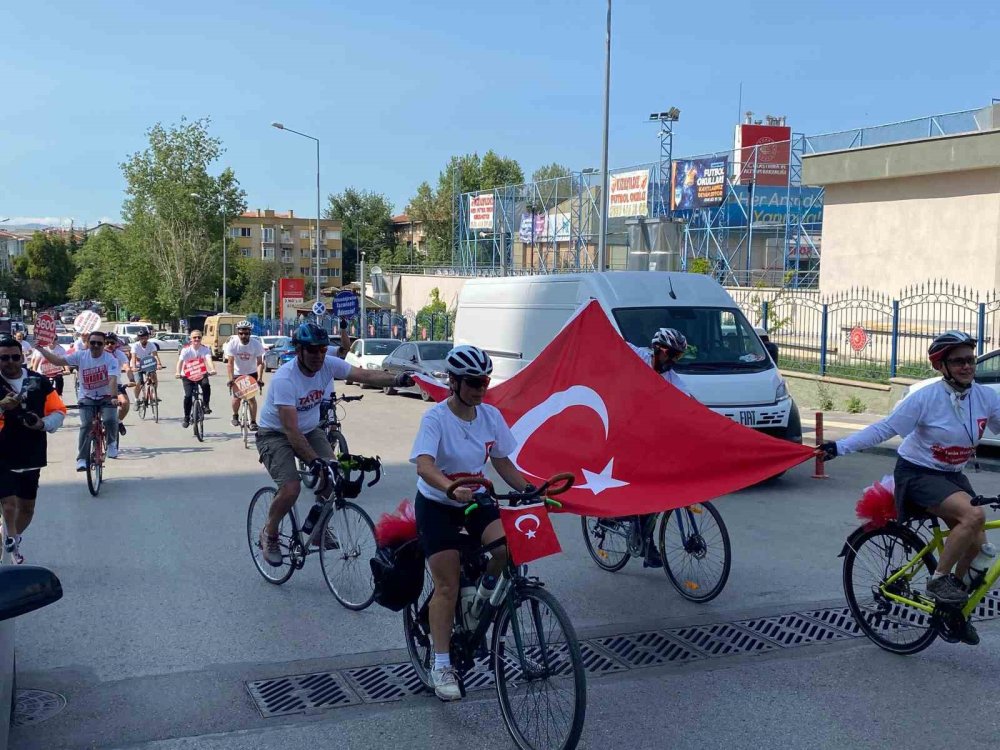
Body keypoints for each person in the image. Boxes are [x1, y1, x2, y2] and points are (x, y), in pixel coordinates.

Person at [820, 331, 1000, 645]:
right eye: (958, 361)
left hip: (952, 475)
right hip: (917, 474)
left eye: (970, 360)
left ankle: (951, 608)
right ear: (942, 366)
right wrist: (840, 446)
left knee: (978, 548)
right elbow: (885, 429)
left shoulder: (985, 397)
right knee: (973, 516)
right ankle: (939, 580)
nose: (967, 366)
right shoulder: (924, 398)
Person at [410, 345, 533, 701]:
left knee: (506, 550)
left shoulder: (490, 416)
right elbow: (424, 466)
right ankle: (442, 663)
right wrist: (449, 486)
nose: (481, 388)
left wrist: (530, 490)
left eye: (485, 381)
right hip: (437, 503)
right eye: (473, 382)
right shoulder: (435, 418)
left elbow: (503, 462)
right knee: (446, 585)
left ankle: (479, 599)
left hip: (475, 498)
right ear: (453, 381)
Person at [256, 323, 412, 564]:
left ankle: (318, 529)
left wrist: (398, 380)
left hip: (309, 429)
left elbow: (366, 375)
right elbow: (291, 431)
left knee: (333, 476)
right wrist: (314, 461)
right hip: (276, 434)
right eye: (312, 350)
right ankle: (270, 533)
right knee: (291, 489)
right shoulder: (285, 379)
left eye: (322, 349)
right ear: (299, 350)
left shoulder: (328, 365)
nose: (319, 355)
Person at [626, 327, 692, 568]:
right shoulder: (638, 356)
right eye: (672, 355)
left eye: (679, 357)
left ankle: (645, 534)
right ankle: (644, 540)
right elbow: (610, 339)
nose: (674, 361)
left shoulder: (674, 380)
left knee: (657, 485)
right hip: (623, 428)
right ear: (658, 350)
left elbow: (690, 408)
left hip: (650, 436)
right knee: (640, 483)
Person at [0, 336, 66, 564]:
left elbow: (58, 411)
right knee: (8, 504)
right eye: (4, 358)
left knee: (26, 508)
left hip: (30, 452)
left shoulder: (39, 382)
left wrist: (42, 424)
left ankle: (11, 537)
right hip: (1, 452)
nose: (9, 362)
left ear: (23, 357)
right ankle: (7, 537)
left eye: (14, 357)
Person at [35, 330, 121, 467]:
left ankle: (111, 443)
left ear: (104, 344)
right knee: (86, 425)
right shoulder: (81, 356)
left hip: (106, 396)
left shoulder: (110, 359)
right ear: (88, 343)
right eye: (93, 342)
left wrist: (114, 397)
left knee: (110, 419)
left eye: (99, 343)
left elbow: (112, 379)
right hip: (87, 396)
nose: (96, 345)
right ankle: (81, 459)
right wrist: (40, 349)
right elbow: (58, 361)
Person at [225, 320, 265, 431]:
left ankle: (253, 421)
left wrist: (260, 378)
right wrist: (230, 379)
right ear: (238, 333)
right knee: (237, 397)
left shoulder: (256, 344)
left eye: (246, 333)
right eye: (241, 333)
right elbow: (230, 363)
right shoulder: (232, 344)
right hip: (238, 373)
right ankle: (235, 416)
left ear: (250, 333)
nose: (243, 336)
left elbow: (260, 363)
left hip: (252, 372)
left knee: (251, 398)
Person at [176, 330, 216, 429]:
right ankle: (186, 418)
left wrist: (212, 369)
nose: (197, 339)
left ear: (201, 338)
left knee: (206, 385)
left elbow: (208, 360)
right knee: (188, 396)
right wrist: (178, 372)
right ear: (191, 339)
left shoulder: (205, 349)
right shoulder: (186, 349)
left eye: (199, 337)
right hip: (187, 375)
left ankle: (206, 405)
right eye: (194, 337)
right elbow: (180, 362)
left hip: (201, 374)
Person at [105, 333, 131, 436]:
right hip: (98, 385)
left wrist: (131, 378)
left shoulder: (119, 354)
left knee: (124, 403)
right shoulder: (98, 353)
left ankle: (118, 421)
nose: (109, 344)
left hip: (116, 384)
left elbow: (126, 366)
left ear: (116, 344)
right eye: (107, 342)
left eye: (112, 342)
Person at [130, 327, 163, 405]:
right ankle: (136, 399)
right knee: (138, 382)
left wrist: (158, 364)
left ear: (148, 337)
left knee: (154, 376)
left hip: (147, 364)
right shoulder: (135, 345)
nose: (143, 339)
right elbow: (133, 357)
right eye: (141, 337)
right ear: (139, 338)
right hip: (137, 366)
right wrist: (134, 367)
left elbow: (155, 355)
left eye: (145, 337)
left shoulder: (151, 345)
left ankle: (153, 394)